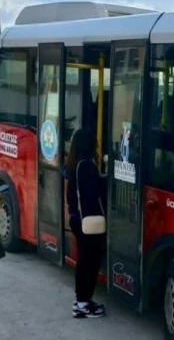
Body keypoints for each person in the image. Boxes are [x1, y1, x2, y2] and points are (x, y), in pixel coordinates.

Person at [65, 128, 107, 318]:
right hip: (88, 221)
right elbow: (93, 193)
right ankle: (82, 304)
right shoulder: (87, 166)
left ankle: (83, 300)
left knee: (84, 261)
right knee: (90, 263)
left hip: (78, 219)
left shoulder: (73, 164)